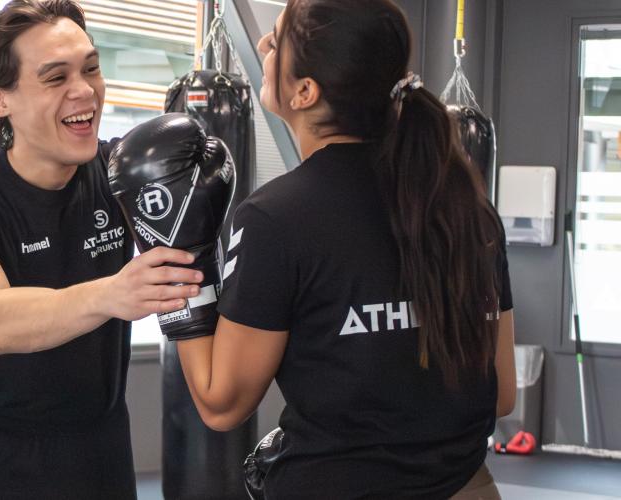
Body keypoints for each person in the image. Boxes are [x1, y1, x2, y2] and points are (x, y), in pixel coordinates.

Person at [170, 1, 517, 498]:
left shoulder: (275, 218)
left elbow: (221, 404)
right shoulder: (469, 209)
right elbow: (501, 394)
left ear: (305, 91)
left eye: (276, 40)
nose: (263, 45)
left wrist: (182, 259)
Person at [0, 1, 202, 498]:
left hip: (108, 445)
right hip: (12, 458)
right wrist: (113, 293)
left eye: (91, 68)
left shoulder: (120, 174)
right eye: (55, 77)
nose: (84, 90)